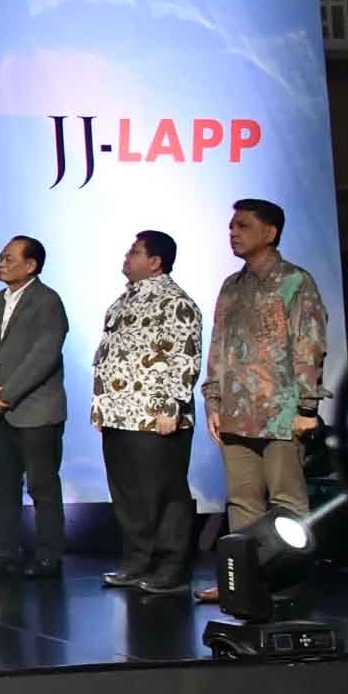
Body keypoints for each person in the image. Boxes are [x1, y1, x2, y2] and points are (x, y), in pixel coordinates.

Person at [198, 199, 330, 602]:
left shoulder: (295, 281)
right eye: (231, 226)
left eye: (243, 226)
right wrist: (213, 400)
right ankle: (242, 581)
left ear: (270, 232)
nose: (233, 233)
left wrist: (307, 407)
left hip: (281, 412)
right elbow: (219, 346)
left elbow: (309, 344)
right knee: (242, 502)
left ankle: (288, 581)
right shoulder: (231, 286)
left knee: (287, 501)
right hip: (237, 412)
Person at [90, 232, 202, 596]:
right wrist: (102, 407)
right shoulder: (122, 301)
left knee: (165, 493)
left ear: (155, 261)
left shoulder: (175, 301)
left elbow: (184, 357)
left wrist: (169, 407)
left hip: (155, 417)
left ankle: (172, 566)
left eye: (135, 252)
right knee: (128, 493)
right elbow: (108, 357)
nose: (127, 256)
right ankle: (138, 560)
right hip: (120, 414)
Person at [0, 236, 70, 578]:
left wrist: (6, 394)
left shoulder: (47, 301)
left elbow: (44, 355)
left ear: (31, 265)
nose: (1, 263)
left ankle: (48, 556)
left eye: (9, 258)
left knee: (43, 488)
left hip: (36, 410)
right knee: (2, 488)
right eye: (1, 257)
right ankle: (3, 552)